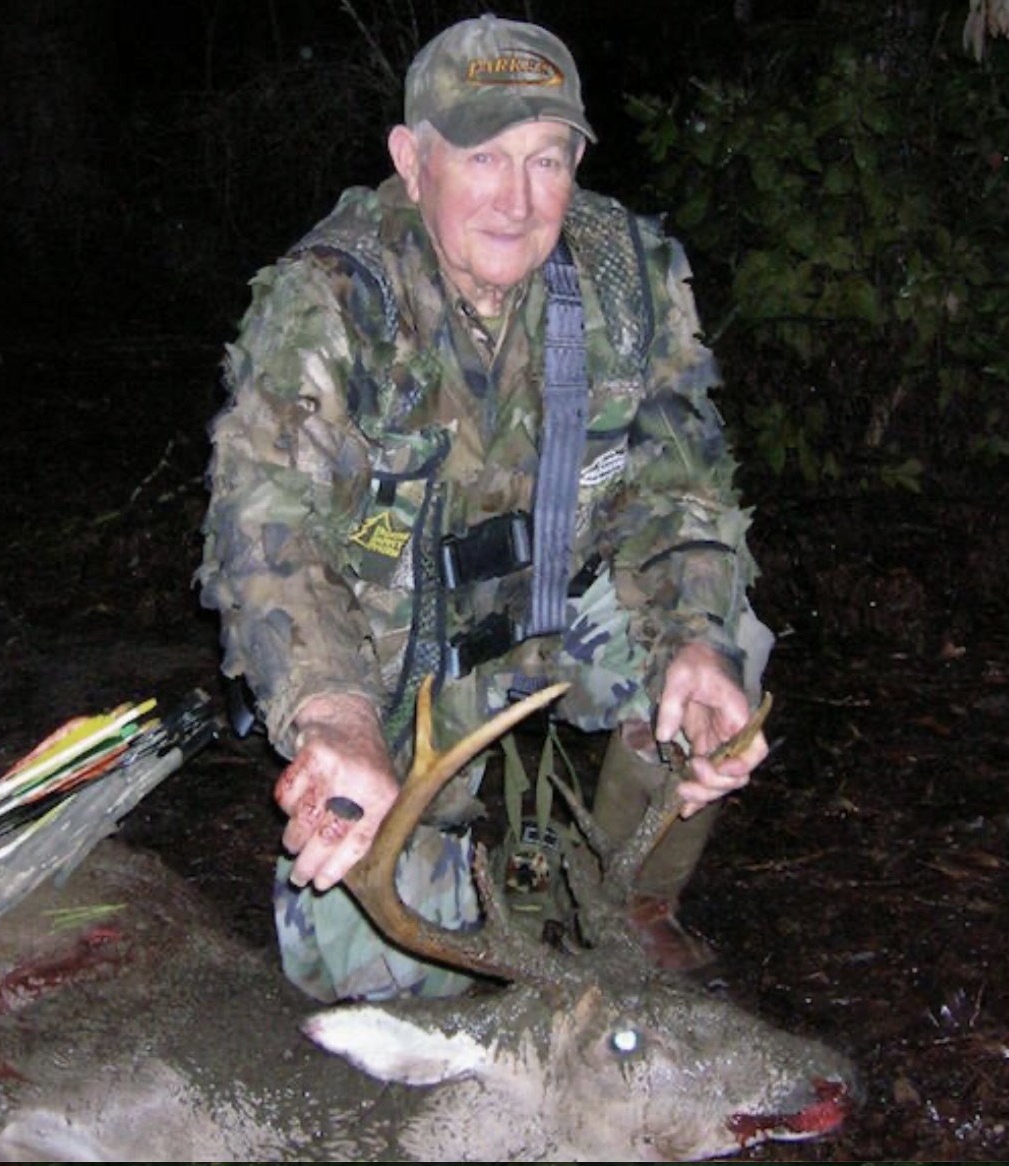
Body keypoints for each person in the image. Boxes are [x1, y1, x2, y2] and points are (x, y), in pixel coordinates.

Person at [196, 14, 773, 1002]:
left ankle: (629, 903)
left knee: (727, 649)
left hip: (561, 603)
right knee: (378, 974)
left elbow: (681, 484)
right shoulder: (330, 299)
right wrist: (336, 715)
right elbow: (264, 535)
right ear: (410, 161)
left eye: (546, 159)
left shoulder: (627, 277)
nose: (517, 199)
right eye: (483, 157)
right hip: (397, 655)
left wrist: (693, 635)